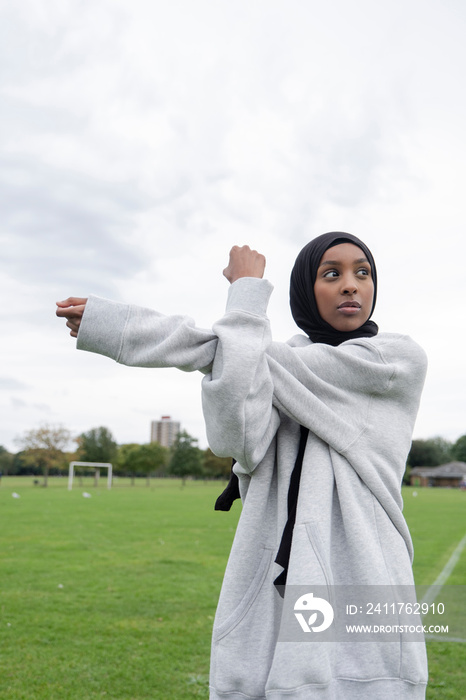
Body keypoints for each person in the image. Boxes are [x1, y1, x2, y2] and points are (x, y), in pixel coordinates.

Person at [57, 232, 428, 699]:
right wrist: (239, 344)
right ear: (304, 292)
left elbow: (251, 355)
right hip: (270, 601)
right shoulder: (263, 367)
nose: (351, 285)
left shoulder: (395, 362)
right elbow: (233, 439)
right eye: (331, 274)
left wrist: (241, 297)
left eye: (363, 272)